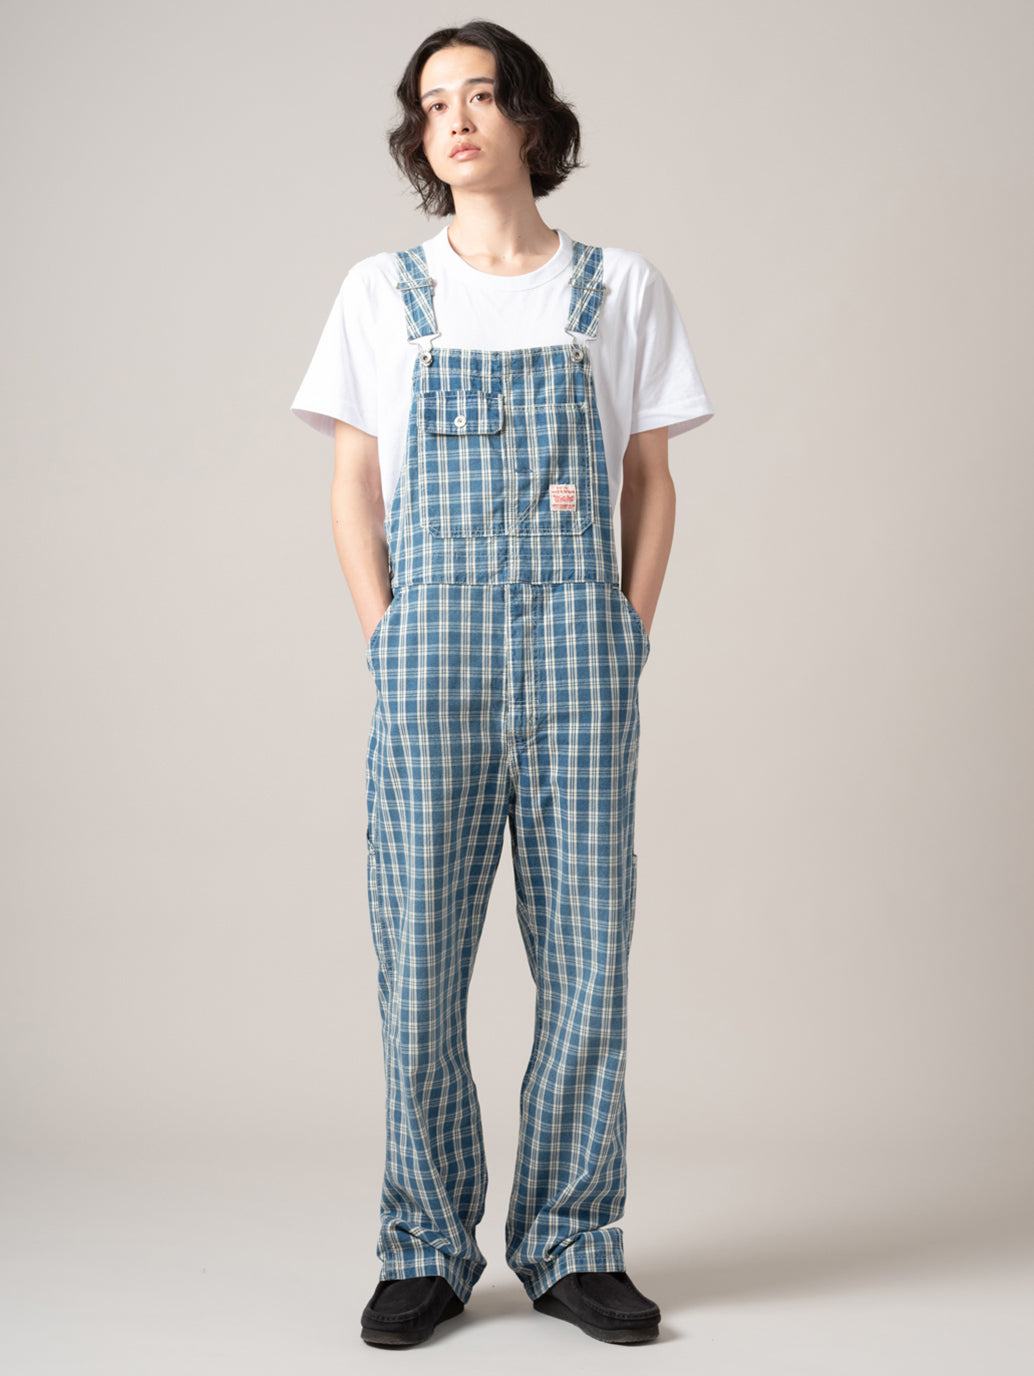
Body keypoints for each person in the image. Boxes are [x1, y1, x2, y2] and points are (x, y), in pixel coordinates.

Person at [291, 19, 714, 1349]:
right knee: (419, 961)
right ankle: (424, 1246)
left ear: (534, 120)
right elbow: (353, 487)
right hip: (432, 656)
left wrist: (625, 630)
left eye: (482, 95)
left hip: (581, 652)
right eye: (434, 104)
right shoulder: (382, 293)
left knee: (587, 962)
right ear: (420, 138)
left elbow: (651, 481)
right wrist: (387, 637)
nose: (457, 120)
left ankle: (574, 1243)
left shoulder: (619, 287)